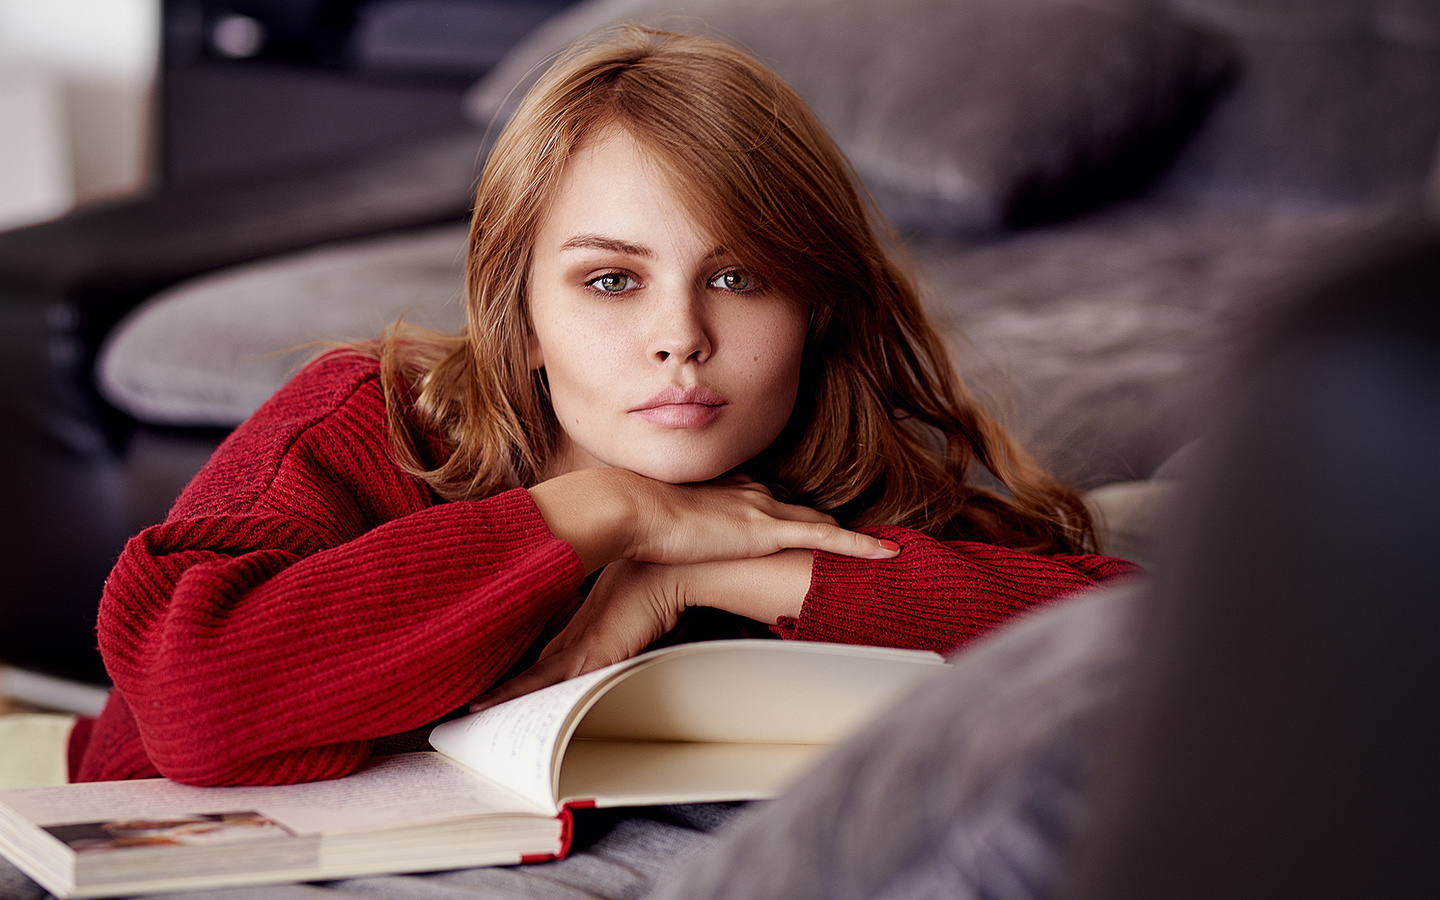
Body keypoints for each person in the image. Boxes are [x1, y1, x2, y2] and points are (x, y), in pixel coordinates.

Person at [71, 26, 1138, 788]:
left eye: (738, 277)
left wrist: (709, 568)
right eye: (612, 281)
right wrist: (597, 517)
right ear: (520, 316)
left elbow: (1143, 641)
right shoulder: (369, 424)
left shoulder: (821, 475)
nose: (681, 336)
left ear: (814, 308)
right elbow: (193, 703)